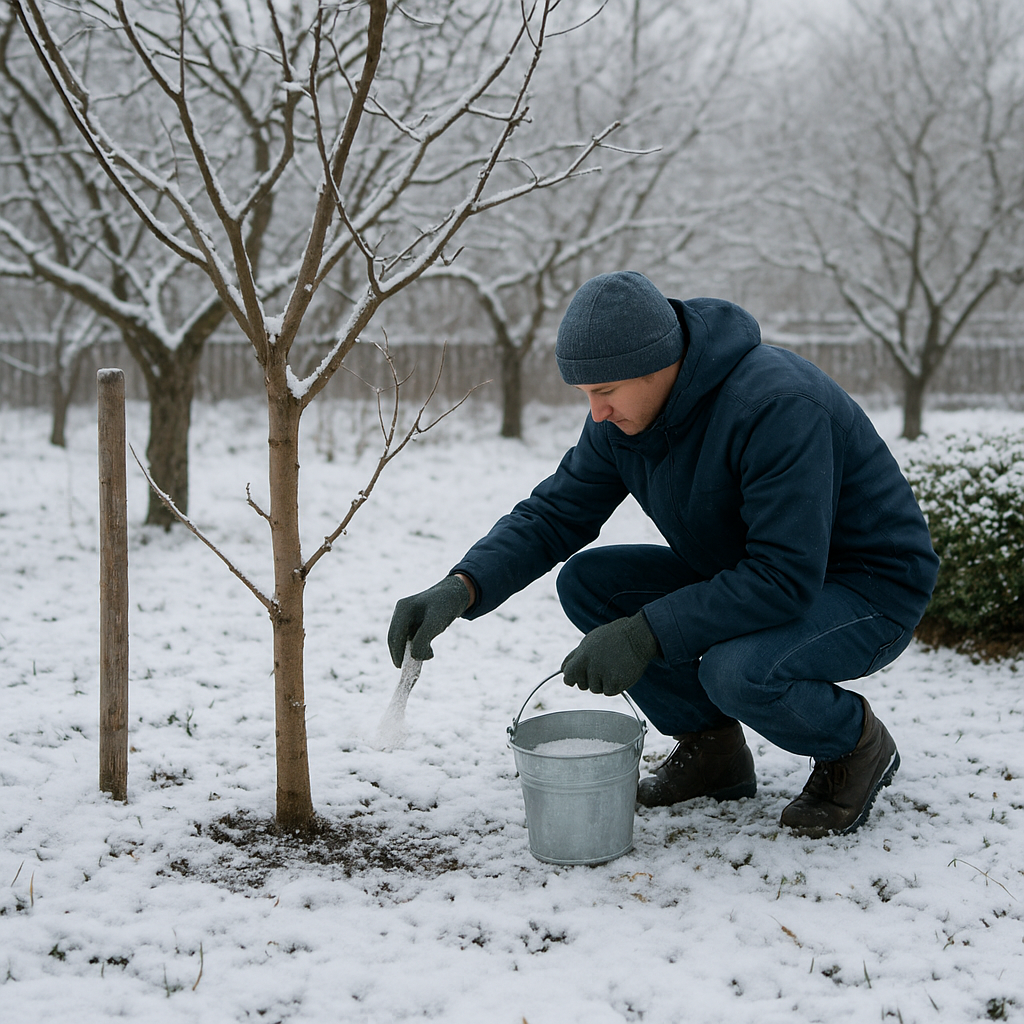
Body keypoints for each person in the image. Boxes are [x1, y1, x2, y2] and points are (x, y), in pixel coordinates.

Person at [388, 271, 939, 838]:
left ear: (659, 366)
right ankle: (712, 750)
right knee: (592, 583)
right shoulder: (624, 419)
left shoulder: (775, 403)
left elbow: (784, 577)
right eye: (586, 396)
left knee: (738, 671)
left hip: (867, 589)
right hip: (757, 572)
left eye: (604, 393)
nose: (596, 412)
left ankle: (856, 746)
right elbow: (555, 515)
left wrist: (645, 633)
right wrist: (463, 586)